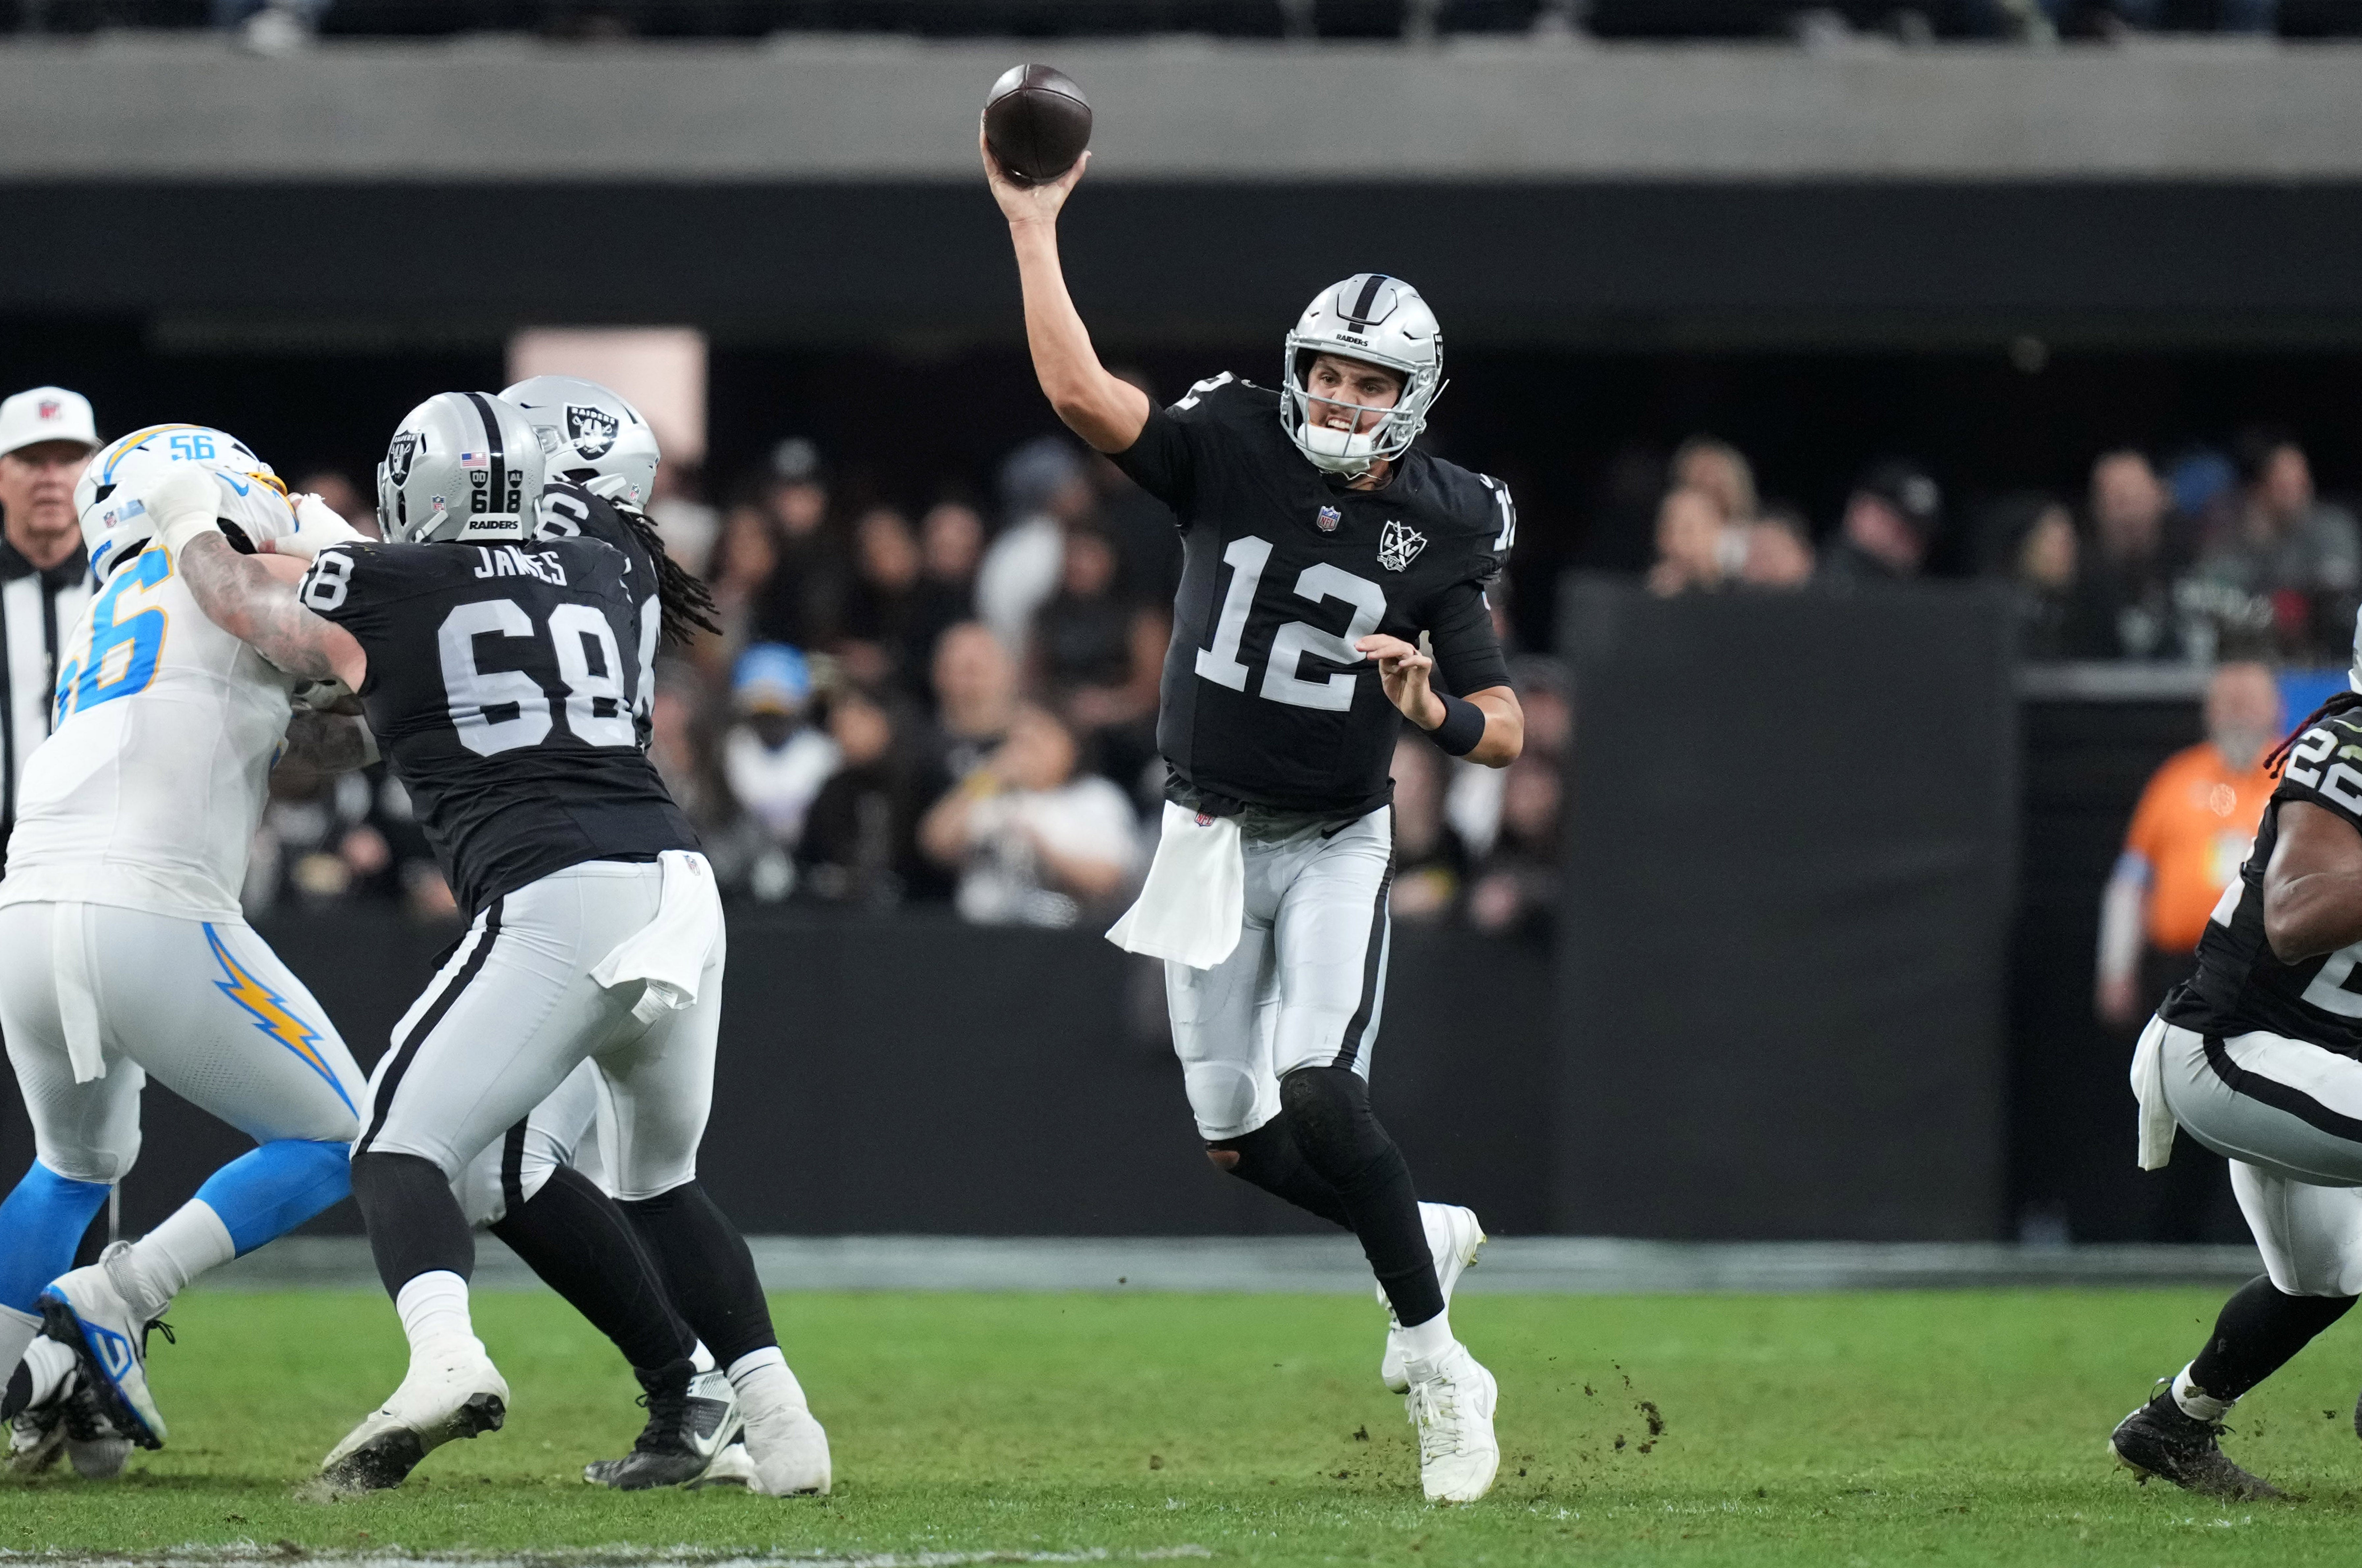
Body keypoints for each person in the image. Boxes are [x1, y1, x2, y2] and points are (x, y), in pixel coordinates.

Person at [159, 390, 830, 1496]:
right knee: (659, 1183)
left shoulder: (392, 583)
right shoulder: (614, 564)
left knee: (394, 1141)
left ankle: (445, 1359)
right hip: (677, 883)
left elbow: (247, 604)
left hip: (557, 890)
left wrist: (192, 516)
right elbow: (458, 614)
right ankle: (780, 1423)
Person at [987, 126, 1524, 1502]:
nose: (1341, 398)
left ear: (1413, 397)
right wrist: (1034, 225)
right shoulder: (1229, 444)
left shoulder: (1443, 528)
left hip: (1338, 838)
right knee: (1232, 1134)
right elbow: (1079, 393)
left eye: (1368, 382)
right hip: (1206, 836)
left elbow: (1504, 728)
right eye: (1328, 374)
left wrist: (1432, 713)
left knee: (1317, 1084)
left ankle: (1438, 1362)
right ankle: (1417, 1227)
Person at [0, 426, 373, 1477]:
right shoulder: (226, 565)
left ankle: (28, 1371)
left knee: (71, 1166)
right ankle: (102, 1316)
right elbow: (336, 639)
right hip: (150, 904)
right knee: (349, 1132)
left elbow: (287, 743)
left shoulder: (101, 610)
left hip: (27, 910)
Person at [2109, 627, 2362, 1499]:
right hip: (2232, 1046)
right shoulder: (2349, 742)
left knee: (2319, 1280)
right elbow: (2293, 914)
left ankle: (2174, 1424)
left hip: (2310, 1062)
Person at [2093, 663, 2282, 1244]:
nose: (2237, 712)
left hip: (2271, 976)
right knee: (2169, 1104)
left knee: (2265, 1105)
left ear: (2274, 708)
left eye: (2248, 700)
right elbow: (2131, 881)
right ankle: (2163, 1242)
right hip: (2183, 972)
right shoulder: (2176, 780)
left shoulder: (2296, 777)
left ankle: (2258, 1244)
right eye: (2226, 700)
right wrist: (2115, 967)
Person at [920, 701, 1138, 927]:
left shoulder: (1094, 797)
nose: (1024, 753)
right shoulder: (990, 796)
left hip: (1065, 937)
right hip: (983, 934)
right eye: (1017, 742)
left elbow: (1110, 879)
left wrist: (1042, 845)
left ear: (1070, 746)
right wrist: (989, 775)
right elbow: (936, 844)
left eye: (1037, 742)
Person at [0, 387, 101, 854]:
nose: (50, 478)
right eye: (30, 459)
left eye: (68, 459)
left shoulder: (134, 591)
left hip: (100, 849)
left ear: (94, 471)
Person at [2192, 430, 2362, 664]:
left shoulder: (2332, 528)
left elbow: (2340, 590)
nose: (2296, 494)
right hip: (2253, 659)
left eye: (2301, 483)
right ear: (2260, 489)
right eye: (2284, 485)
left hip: (2329, 659)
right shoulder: (2233, 539)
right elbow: (2210, 593)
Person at [1818, 460, 1943, 585]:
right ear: (1863, 509)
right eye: (1900, 522)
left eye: (1922, 530)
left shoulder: (1913, 590)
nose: (1911, 538)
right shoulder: (1821, 581)